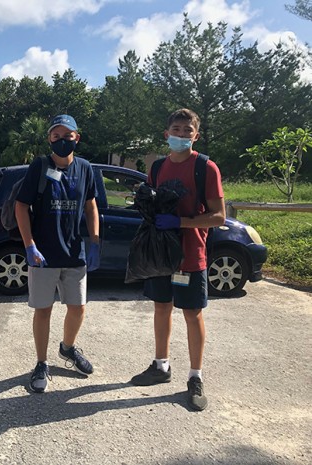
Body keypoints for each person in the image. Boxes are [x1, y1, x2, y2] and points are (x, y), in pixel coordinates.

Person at [129, 108, 225, 412]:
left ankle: (195, 377)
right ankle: (161, 366)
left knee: (192, 314)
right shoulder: (158, 167)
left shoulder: (206, 168)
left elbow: (219, 217)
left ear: (196, 135)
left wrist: (181, 222)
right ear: (166, 134)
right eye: (176, 130)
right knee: (161, 307)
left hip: (190, 254)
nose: (181, 135)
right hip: (160, 253)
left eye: (187, 131)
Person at [15, 114, 101, 393]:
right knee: (43, 310)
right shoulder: (40, 166)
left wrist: (95, 240)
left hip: (74, 252)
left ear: (77, 137)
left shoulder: (85, 168)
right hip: (43, 255)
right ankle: (41, 363)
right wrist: (29, 244)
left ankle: (68, 348)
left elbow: (90, 205)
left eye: (67, 136)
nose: (62, 140)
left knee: (78, 308)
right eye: (56, 136)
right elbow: (20, 206)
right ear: (49, 139)